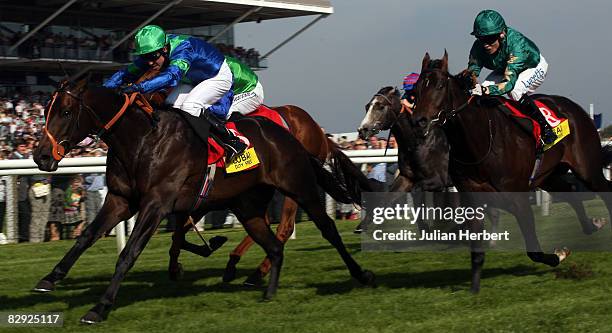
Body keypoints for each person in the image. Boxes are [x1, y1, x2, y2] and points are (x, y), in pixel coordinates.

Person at [103, 25, 247, 162]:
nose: (150, 62)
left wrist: (138, 87)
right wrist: (103, 89)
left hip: (218, 76)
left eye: (152, 56)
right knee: (171, 105)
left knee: (191, 106)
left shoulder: (184, 48)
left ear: (165, 48)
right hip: (194, 79)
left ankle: (231, 141)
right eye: (145, 57)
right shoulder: (155, 51)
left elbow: (171, 77)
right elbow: (127, 72)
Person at [467, 9, 556, 144]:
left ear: (502, 34)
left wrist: (485, 90)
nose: (485, 44)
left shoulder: (516, 44)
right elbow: (472, 72)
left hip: (532, 67)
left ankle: (546, 129)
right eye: (481, 38)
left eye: (490, 39)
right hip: (505, 68)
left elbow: (509, 84)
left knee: (515, 91)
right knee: (480, 92)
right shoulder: (478, 47)